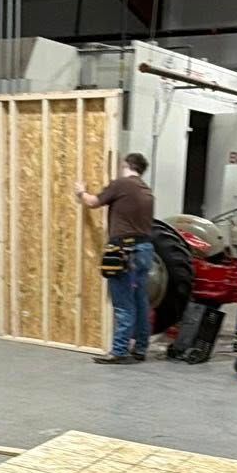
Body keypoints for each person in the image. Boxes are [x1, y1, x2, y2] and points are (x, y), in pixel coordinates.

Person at [74, 152, 155, 366]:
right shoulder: (146, 190)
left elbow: (93, 202)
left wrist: (81, 192)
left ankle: (119, 351)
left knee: (123, 303)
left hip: (124, 251)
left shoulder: (121, 184)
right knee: (140, 302)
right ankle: (140, 349)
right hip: (145, 250)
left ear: (125, 165)